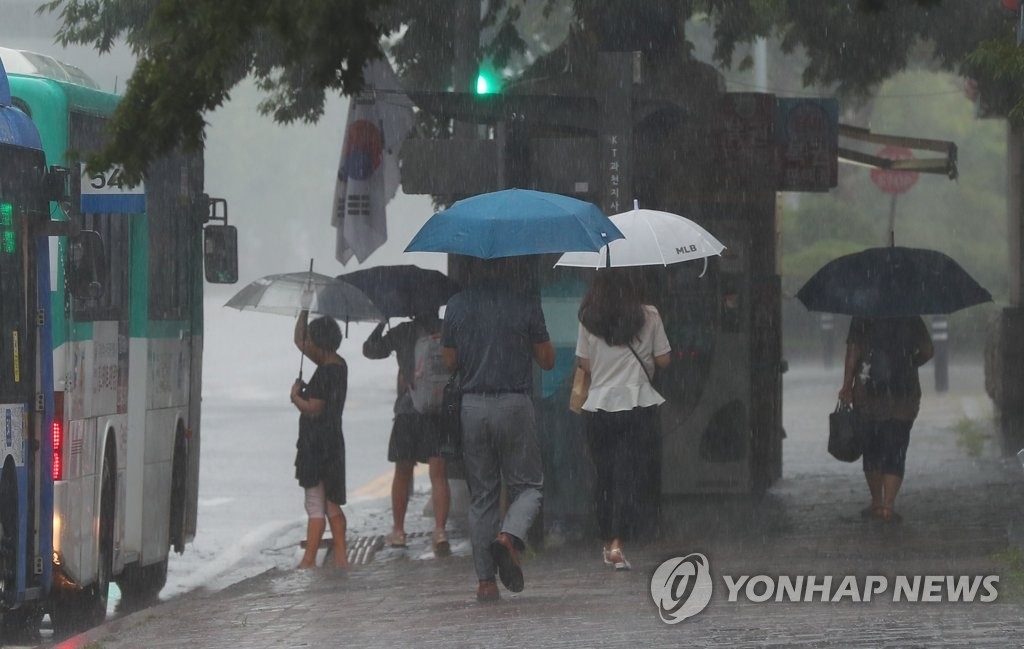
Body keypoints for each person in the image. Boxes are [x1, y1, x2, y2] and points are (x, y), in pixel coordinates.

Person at [441, 259, 555, 603]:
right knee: (529, 487)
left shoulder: (457, 305)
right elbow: (547, 360)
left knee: (483, 495)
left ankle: (486, 583)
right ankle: (508, 538)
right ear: (511, 267)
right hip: (514, 404)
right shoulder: (525, 301)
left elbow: (449, 362)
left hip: (473, 407)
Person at [574, 270, 671, 571]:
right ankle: (618, 542)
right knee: (629, 476)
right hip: (638, 405)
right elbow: (664, 359)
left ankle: (607, 539)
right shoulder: (649, 315)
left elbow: (584, 364)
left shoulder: (589, 318)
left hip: (600, 408)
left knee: (605, 476)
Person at [363, 311, 452, 557]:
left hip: (408, 409)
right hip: (437, 409)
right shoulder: (448, 328)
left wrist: (382, 322)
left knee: (402, 472)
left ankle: (399, 532)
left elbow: (370, 350)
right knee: (438, 474)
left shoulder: (403, 332)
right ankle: (440, 531)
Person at [838, 315, 934, 523]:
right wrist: (910, 362)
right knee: (896, 448)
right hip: (904, 393)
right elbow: (928, 351)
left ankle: (876, 502)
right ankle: (888, 506)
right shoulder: (910, 315)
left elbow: (853, 352)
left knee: (872, 448)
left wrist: (847, 384)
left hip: (869, 391)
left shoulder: (862, 316)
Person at [290, 309, 350, 568]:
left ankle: (308, 560)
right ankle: (341, 557)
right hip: (333, 442)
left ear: (320, 344)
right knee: (332, 502)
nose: (307, 345)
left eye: (312, 341)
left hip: (315, 445)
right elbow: (300, 341)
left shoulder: (324, 373)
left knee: (315, 504)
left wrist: (296, 398)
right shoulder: (339, 365)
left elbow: (314, 409)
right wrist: (303, 310)